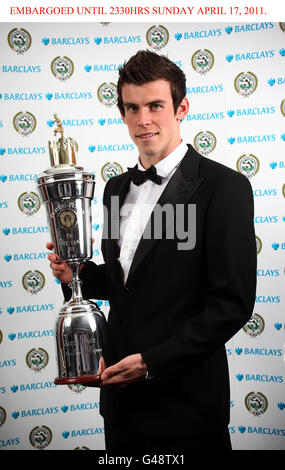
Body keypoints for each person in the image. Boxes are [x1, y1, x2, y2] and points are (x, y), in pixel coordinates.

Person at [47, 50, 257, 451]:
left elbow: (231, 303)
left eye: (155, 105)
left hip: (186, 410)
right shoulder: (114, 189)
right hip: (120, 409)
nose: (143, 120)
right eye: (132, 107)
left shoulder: (223, 188)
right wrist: (76, 275)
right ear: (122, 113)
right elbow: (123, 282)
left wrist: (151, 363)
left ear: (181, 108)